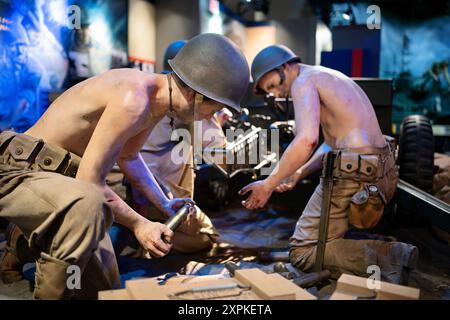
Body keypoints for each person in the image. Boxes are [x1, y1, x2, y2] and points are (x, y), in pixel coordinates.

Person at [0, 33, 249, 299]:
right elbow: (90, 184)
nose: (211, 117)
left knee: (104, 290)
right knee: (87, 206)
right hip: (20, 170)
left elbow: (129, 157)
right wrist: (141, 224)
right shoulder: (135, 98)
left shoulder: (156, 100)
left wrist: (164, 203)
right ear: (195, 95)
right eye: (214, 109)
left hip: (62, 182)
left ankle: (26, 238)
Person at [239, 45, 418, 284]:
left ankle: (391, 256)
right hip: (380, 166)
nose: (279, 94)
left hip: (355, 171)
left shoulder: (302, 82)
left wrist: (268, 184)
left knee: (303, 252)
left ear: (284, 67)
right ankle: (380, 252)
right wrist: (299, 172)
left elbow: (307, 140)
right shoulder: (324, 75)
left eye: (273, 85)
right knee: (319, 242)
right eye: (270, 92)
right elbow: (331, 144)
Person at [109, 40, 227, 255]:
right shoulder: (186, 105)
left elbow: (129, 156)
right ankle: (138, 238)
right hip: (151, 195)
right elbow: (219, 151)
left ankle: (130, 234)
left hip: (137, 194)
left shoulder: (146, 97)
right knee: (205, 236)